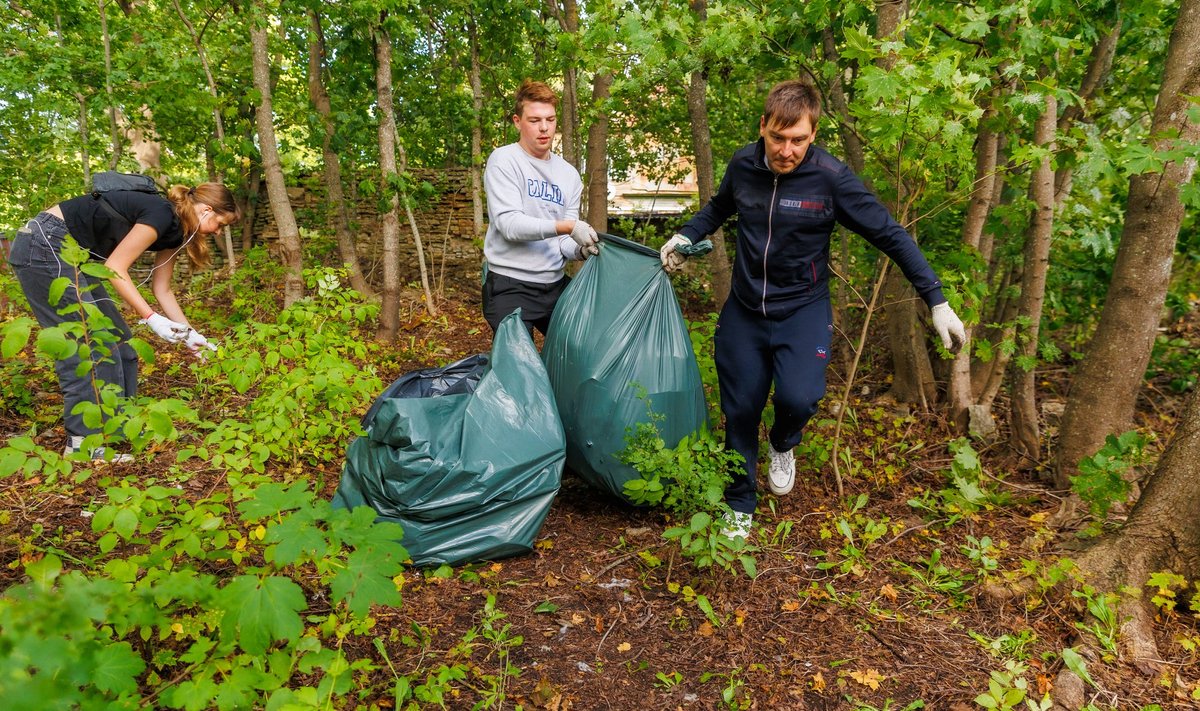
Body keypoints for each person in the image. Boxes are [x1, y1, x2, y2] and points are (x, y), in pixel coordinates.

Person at [661, 80, 966, 537]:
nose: (787, 150)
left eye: (799, 140)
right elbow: (718, 208)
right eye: (778, 138)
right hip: (745, 308)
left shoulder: (831, 178)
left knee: (798, 398)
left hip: (801, 309)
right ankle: (739, 504)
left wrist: (936, 300)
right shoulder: (743, 165)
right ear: (763, 127)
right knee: (740, 410)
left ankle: (783, 443)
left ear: (813, 134)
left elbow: (891, 235)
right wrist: (686, 236)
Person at [7, 179, 241, 459]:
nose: (219, 231)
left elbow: (161, 288)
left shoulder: (177, 230)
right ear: (206, 209)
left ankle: (117, 427)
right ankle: (84, 445)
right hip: (45, 245)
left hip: (75, 256)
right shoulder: (161, 213)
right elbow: (116, 266)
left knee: (119, 344)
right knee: (88, 348)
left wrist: (190, 335)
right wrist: (152, 318)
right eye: (221, 223)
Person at [482, 79, 599, 337]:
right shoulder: (504, 160)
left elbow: (563, 242)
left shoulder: (569, 175)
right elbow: (509, 225)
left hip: (554, 286)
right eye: (534, 120)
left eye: (550, 119)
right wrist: (569, 226)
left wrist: (581, 249)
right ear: (517, 121)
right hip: (509, 286)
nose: (544, 128)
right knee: (519, 366)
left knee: (584, 346)